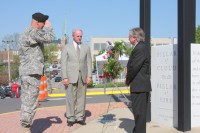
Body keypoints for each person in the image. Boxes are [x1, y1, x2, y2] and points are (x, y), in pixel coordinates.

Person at [19, 12, 55, 133]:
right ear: (37, 22)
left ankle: (25, 127)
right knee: (30, 102)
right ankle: (25, 128)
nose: (44, 24)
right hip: (31, 73)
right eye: (43, 22)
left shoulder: (28, 32)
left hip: (28, 72)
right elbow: (50, 38)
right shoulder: (33, 32)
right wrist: (50, 28)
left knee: (27, 101)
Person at [61, 29, 92, 126]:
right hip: (70, 76)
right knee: (70, 98)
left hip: (83, 76)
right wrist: (64, 77)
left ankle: (79, 117)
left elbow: (89, 62)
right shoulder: (67, 47)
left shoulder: (86, 47)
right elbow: (63, 63)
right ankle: (70, 118)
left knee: (81, 98)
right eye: (78, 36)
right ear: (73, 36)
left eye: (81, 36)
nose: (80, 38)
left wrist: (89, 76)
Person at [125, 27, 151, 133]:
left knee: (139, 114)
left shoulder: (140, 48)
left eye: (129, 36)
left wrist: (127, 80)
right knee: (138, 113)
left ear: (135, 38)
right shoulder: (141, 47)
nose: (128, 38)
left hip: (140, 87)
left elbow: (134, 67)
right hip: (140, 86)